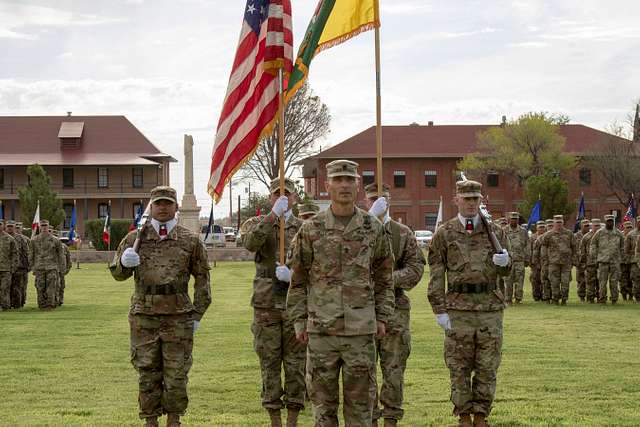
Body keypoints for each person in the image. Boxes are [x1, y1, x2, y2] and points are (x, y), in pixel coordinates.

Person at [287, 159, 394, 427]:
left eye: (349, 180)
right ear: (327, 186)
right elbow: (298, 280)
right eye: (338, 180)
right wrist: (300, 320)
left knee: (361, 407)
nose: (344, 185)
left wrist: (382, 317)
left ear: (357, 185)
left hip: (360, 331)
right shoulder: (311, 229)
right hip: (322, 331)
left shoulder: (373, 227)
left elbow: (384, 276)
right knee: (323, 407)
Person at [110, 186, 211, 427]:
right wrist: (124, 263)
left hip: (178, 318)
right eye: (158, 204)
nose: (163, 208)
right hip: (144, 317)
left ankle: (174, 421)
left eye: (167, 203)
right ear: (151, 207)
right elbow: (117, 274)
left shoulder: (190, 240)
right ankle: (150, 421)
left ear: (176, 207)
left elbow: (203, 281)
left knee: (176, 375)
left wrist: (197, 315)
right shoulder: (135, 239)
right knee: (147, 373)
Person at [427, 180, 511, 427]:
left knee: (488, 365)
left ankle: (482, 415)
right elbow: (436, 274)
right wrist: (439, 309)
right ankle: (463, 414)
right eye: (467, 199)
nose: (472, 203)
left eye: (476, 199)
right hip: (458, 308)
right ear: (457, 200)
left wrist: (506, 263)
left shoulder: (495, 232)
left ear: (481, 200)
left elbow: (507, 273)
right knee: (458, 365)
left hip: (489, 309)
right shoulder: (445, 233)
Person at [240, 177, 306, 427]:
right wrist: (271, 217)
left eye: (287, 194)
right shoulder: (256, 223)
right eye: (277, 194)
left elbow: (315, 263)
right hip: (266, 303)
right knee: (269, 362)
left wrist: (294, 275)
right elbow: (249, 244)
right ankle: (274, 420)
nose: (283, 197)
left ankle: (293, 419)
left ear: (295, 197)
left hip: (295, 303)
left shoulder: (304, 227)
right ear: (270, 198)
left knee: (295, 364)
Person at [364, 183, 425, 427]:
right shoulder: (357, 229)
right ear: (366, 201)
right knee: (363, 370)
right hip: (362, 309)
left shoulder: (402, 233)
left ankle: (391, 420)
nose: (379, 202)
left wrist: (387, 279)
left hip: (394, 309)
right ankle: (370, 419)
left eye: (384, 198)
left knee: (394, 370)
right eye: (373, 198)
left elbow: (416, 268)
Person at [540, 215, 577, 305]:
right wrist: (545, 259)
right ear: (554, 223)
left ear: (563, 222)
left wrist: (574, 259)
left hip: (566, 263)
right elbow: (544, 247)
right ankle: (555, 299)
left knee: (565, 282)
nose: (559, 224)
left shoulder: (569, 233)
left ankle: (564, 299)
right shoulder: (548, 235)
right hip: (553, 262)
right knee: (554, 282)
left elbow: (574, 247)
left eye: (560, 222)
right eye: (557, 222)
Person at [29, 219, 64, 310]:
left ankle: (50, 304)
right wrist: (32, 267)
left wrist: (61, 268)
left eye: (45, 226)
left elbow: (60, 255)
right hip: (39, 267)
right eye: (42, 226)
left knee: (51, 287)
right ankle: (41, 304)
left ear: (48, 227)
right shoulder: (34, 240)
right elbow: (31, 254)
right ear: (40, 227)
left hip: (52, 267)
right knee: (39, 286)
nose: (44, 227)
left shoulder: (55, 240)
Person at [589, 214, 624, 305]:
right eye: (608, 221)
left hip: (615, 262)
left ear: (614, 222)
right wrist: (595, 257)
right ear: (605, 222)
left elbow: (622, 247)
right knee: (602, 281)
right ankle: (602, 299)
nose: (610, 223)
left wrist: (620, 258)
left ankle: (614, 299)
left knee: (614, 281)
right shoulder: (599, 232)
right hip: (602, 261)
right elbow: (593, 245)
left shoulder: (619, 233)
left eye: (611, 221)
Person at [503, 212, 529, 304]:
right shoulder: (504, 230)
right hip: (508, 261)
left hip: (519, 260)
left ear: (518, 220)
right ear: (509, 219)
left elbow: (527, 245)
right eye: (512, 219)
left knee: (519, 280)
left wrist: (527, 258)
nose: (514, 220)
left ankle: (518, 299)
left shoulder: (523, 231)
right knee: (508, 281)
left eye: (516, 219)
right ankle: (508, 299)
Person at [5, 220, 29, 308]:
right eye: (8, 226)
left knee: (17, 287)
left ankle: (17, 304)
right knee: (6, 286)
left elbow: (26, 253)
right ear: (5, 227)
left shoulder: (21, 238)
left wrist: (27, 267)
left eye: (11, 226)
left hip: (19, 267)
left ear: (14, 227)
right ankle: (6, 303)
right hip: (5, 266)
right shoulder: (3, 237)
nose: (10, 228)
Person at [580, 219, 602, 303]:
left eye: (598, 225)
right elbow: (582, 251)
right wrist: (584, 262)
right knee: (590, 281)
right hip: (590, 263)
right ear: (592, 226)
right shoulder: (586, 237)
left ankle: (601, 297)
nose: (597, 227)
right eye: (595, 225)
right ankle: (590, 298)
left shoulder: (603, 236)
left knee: (601, 281)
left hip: (601, 262)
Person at [0, 219, 17, 311]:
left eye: (0, 225)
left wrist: (12, 268)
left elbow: (15, 254)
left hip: (6, 269)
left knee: (5, 288)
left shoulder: (10, 239)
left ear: (3, 226)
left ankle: (5, 306)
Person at [14, 222, 31, 307]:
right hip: (13, 266)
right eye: (16, 227)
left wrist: (28, 265)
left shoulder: (26, 239)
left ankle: (22, 301)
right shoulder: (11, 238)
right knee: (14, 286)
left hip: (22, 266)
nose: (17, 229)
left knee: (22, 286)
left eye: (18, 228)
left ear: (21, 229)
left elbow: (28, 253)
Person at [574, 219, 591, 302]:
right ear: (581, 226)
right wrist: (575, 260)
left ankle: (590, 296)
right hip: (580, 261)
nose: (587, 227)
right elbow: (573, 248)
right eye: (585, 226)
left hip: (590, 261)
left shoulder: (592, 235)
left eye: (588, 225)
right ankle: (582, 296)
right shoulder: (576, 236)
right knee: (581, 280)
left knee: (591, 279)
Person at [529, 221, 546, 301]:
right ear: (537, 228)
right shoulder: (532, 237)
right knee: (535, 279)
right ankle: (536, 295)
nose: (541, 229)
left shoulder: (547, 236)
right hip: (535, 262)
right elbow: (529, 250)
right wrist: (531, 261)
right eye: (540, 227)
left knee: (544, 279)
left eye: (543, 227)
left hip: (545, 262)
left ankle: (544, 295)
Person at [539, 219, 555, 302]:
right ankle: (546, 297)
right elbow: (536, 251)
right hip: (545, 263)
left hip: (555, 262)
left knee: (554, 280)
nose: (550, 227)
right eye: (549, 226)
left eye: (552, 226)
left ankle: (554, 296)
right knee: (545, 280)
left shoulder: (557, 236)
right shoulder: (541, 238)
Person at [620, 221, 634, 301]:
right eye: (627, 227)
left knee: (631, 279)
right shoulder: (620, 236)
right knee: (622, 279)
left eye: (630, 227)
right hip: (622, 262)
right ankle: (624, 295)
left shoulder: (633, 236)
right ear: (623, 228)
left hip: (631, 261)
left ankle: (631, 295)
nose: (629, 229)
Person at [627, 216, 640, 303]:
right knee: (636, 279)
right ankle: (638, 297)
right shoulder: (631, 234)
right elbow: (626, 249)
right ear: (637, 223)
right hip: (634, 261)